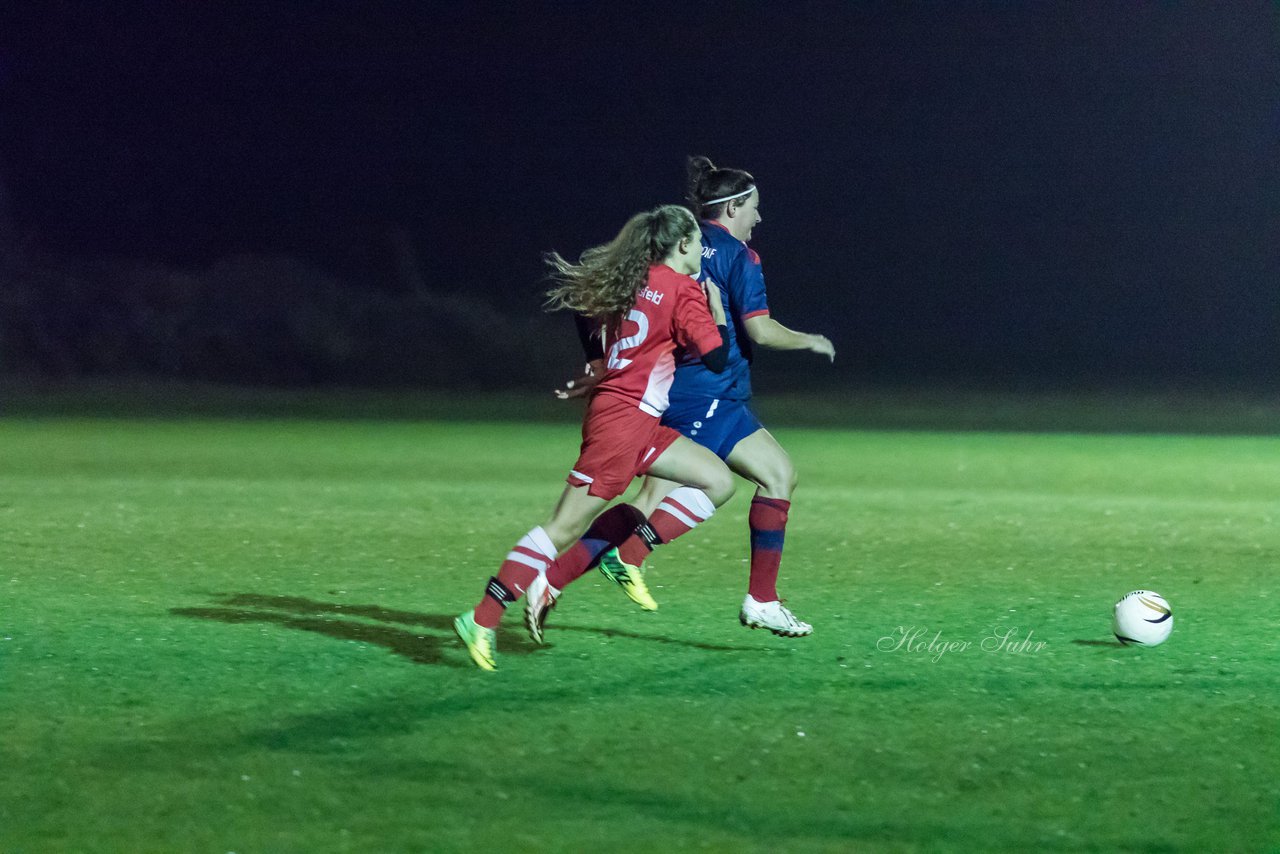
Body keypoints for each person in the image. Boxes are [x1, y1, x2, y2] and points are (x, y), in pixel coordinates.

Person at [535, 156, 835, 639]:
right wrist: (810, 339)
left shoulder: (677, 246)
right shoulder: (738, 256)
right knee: (660, 499)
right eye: (754, 207)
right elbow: (759, 330)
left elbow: (593, 299)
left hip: (703, 394)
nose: (759, 217)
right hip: (702, 395)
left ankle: (560, 579)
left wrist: (597, 357)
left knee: (775, 475)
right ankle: (570, 573)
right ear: (733, 206)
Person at [454, 204, 736, 671]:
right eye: (696, 242)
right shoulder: (686, 291)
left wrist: (600, 362)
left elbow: (586, 312)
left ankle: (625, 555)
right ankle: (481, 618)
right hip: (623, 423)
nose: (700, 250)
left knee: (717, 481)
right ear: (684, 244)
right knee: (561, 526)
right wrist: (718, 311)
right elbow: (716, 358)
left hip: (636, 420)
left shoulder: (634, 280)